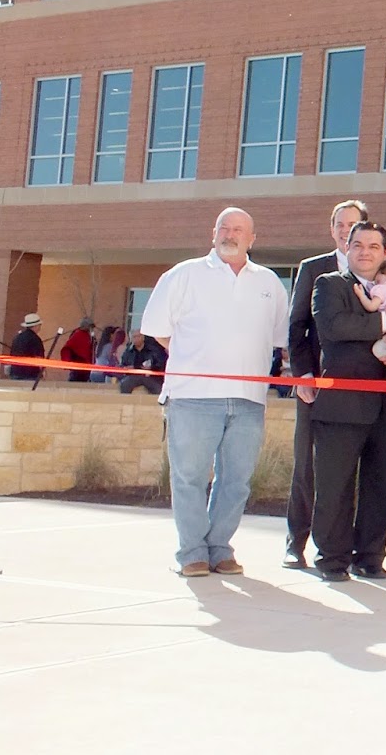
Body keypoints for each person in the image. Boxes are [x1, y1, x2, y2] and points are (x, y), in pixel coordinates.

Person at [140, 208, 290, 577]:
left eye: (239, 229)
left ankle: (220, 549)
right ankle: (192, 552)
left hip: (248, 400)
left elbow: (279, 339)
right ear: (213, 233)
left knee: (236, 481)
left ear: (252, 239)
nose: (230, 234)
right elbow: (159, 329)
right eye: (224, 227)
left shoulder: (269, 282)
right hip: (193, 397)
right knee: (189, 477)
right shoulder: (184, 274)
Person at [309, 221, 386, 582]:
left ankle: (370, 556)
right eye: (358, 245)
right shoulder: (330, 285)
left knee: (382, 486)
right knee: (335, 487)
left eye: (373, 246)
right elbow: (335, 328)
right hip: (342, 407)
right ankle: (332, 559)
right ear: (347, 249)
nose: (365, 252)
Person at [283, 199, 370, 570]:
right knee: (307, 466)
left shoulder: (376, 269)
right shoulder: (313, 268)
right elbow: (296, 326)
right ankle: (295, 542)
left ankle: (341, 545)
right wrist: (302, 374)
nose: (345, 229)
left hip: (361, 389)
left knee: (345, 472)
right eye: (339, 224)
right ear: (332, 229)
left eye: (353, 224)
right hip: (315, 385)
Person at [7, 313, 44, 380]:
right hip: (30, 374)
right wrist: (42, 372)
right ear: (36, 326)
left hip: (15, 372)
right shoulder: (35, 339)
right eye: (39, 325)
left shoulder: (17, 337)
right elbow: (39, 357)